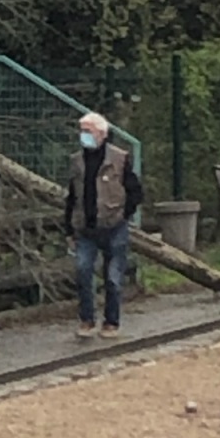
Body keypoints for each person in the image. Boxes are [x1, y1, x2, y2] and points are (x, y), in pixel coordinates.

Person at [64, 111, 143, 338]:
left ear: (101, 133)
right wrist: (69, 228)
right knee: (83, 271)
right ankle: (86, 319)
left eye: (87, 131)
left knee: (113, 278)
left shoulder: (119, 159)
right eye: (82, 131)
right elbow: (72, 196)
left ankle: (111, 321)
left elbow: (135, 191)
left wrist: (123, 214)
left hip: (114, 227)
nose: (83, 135)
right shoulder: (76, 161)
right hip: (86, 228)